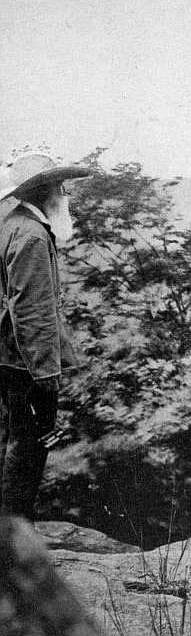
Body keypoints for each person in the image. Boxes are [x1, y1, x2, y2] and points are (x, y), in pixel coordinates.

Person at [0, 154, 90, 521]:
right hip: (24, 361)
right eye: (62, 187)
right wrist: (46, 374)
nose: (66, 194)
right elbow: (32, 309)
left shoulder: (11, 224)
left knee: (15, 440)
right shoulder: (32, 235)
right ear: (45, 191)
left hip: (7, 354)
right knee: (31, 444)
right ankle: (14, 540)